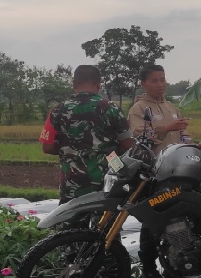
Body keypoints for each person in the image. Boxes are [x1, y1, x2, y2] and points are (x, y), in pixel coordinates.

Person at [127, 64, 187, 278]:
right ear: (144, 83)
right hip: (154, 176)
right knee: (152, 222)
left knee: (177, 219)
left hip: (176, 174)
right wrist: (166, 128)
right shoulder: (139, 109)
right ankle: (150, 271)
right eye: (155, 80)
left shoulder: (171, 106)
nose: (160, 84)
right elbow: (139, 139)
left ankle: (174, 264)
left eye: (163, 79)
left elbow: (183, 135)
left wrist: (189, 146)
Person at [39, 65, 133, 204]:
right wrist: (109, 153)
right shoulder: (112, 109)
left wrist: (70, 152)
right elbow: (127, 145)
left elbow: (47, 147)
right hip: (106, 181)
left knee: (71, 221)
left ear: (74, 84)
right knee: (106, 223)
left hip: (72, 180)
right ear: (98, 84)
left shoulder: (58, 110)